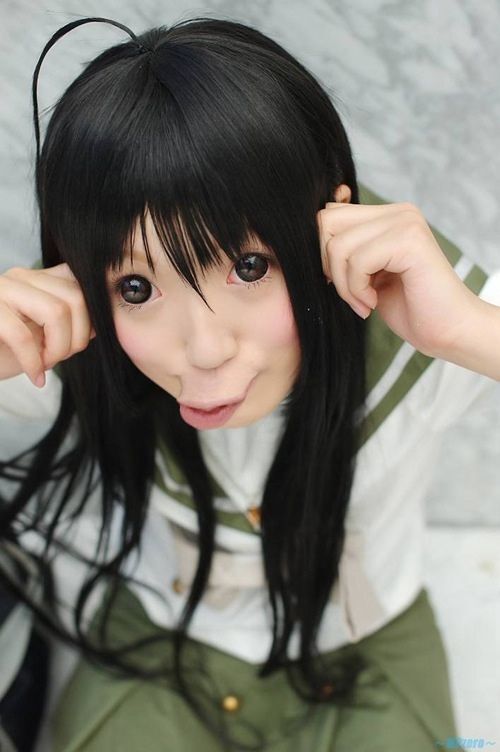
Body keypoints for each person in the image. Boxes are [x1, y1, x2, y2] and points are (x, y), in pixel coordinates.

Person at [0, 15, 499, 752]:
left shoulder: (413, 316)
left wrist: (467, 331)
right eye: (137, 286)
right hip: (159, 641)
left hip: (364, 644)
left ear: (328, 228)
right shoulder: (79, 344)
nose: (204, 350)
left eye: (250, 266)